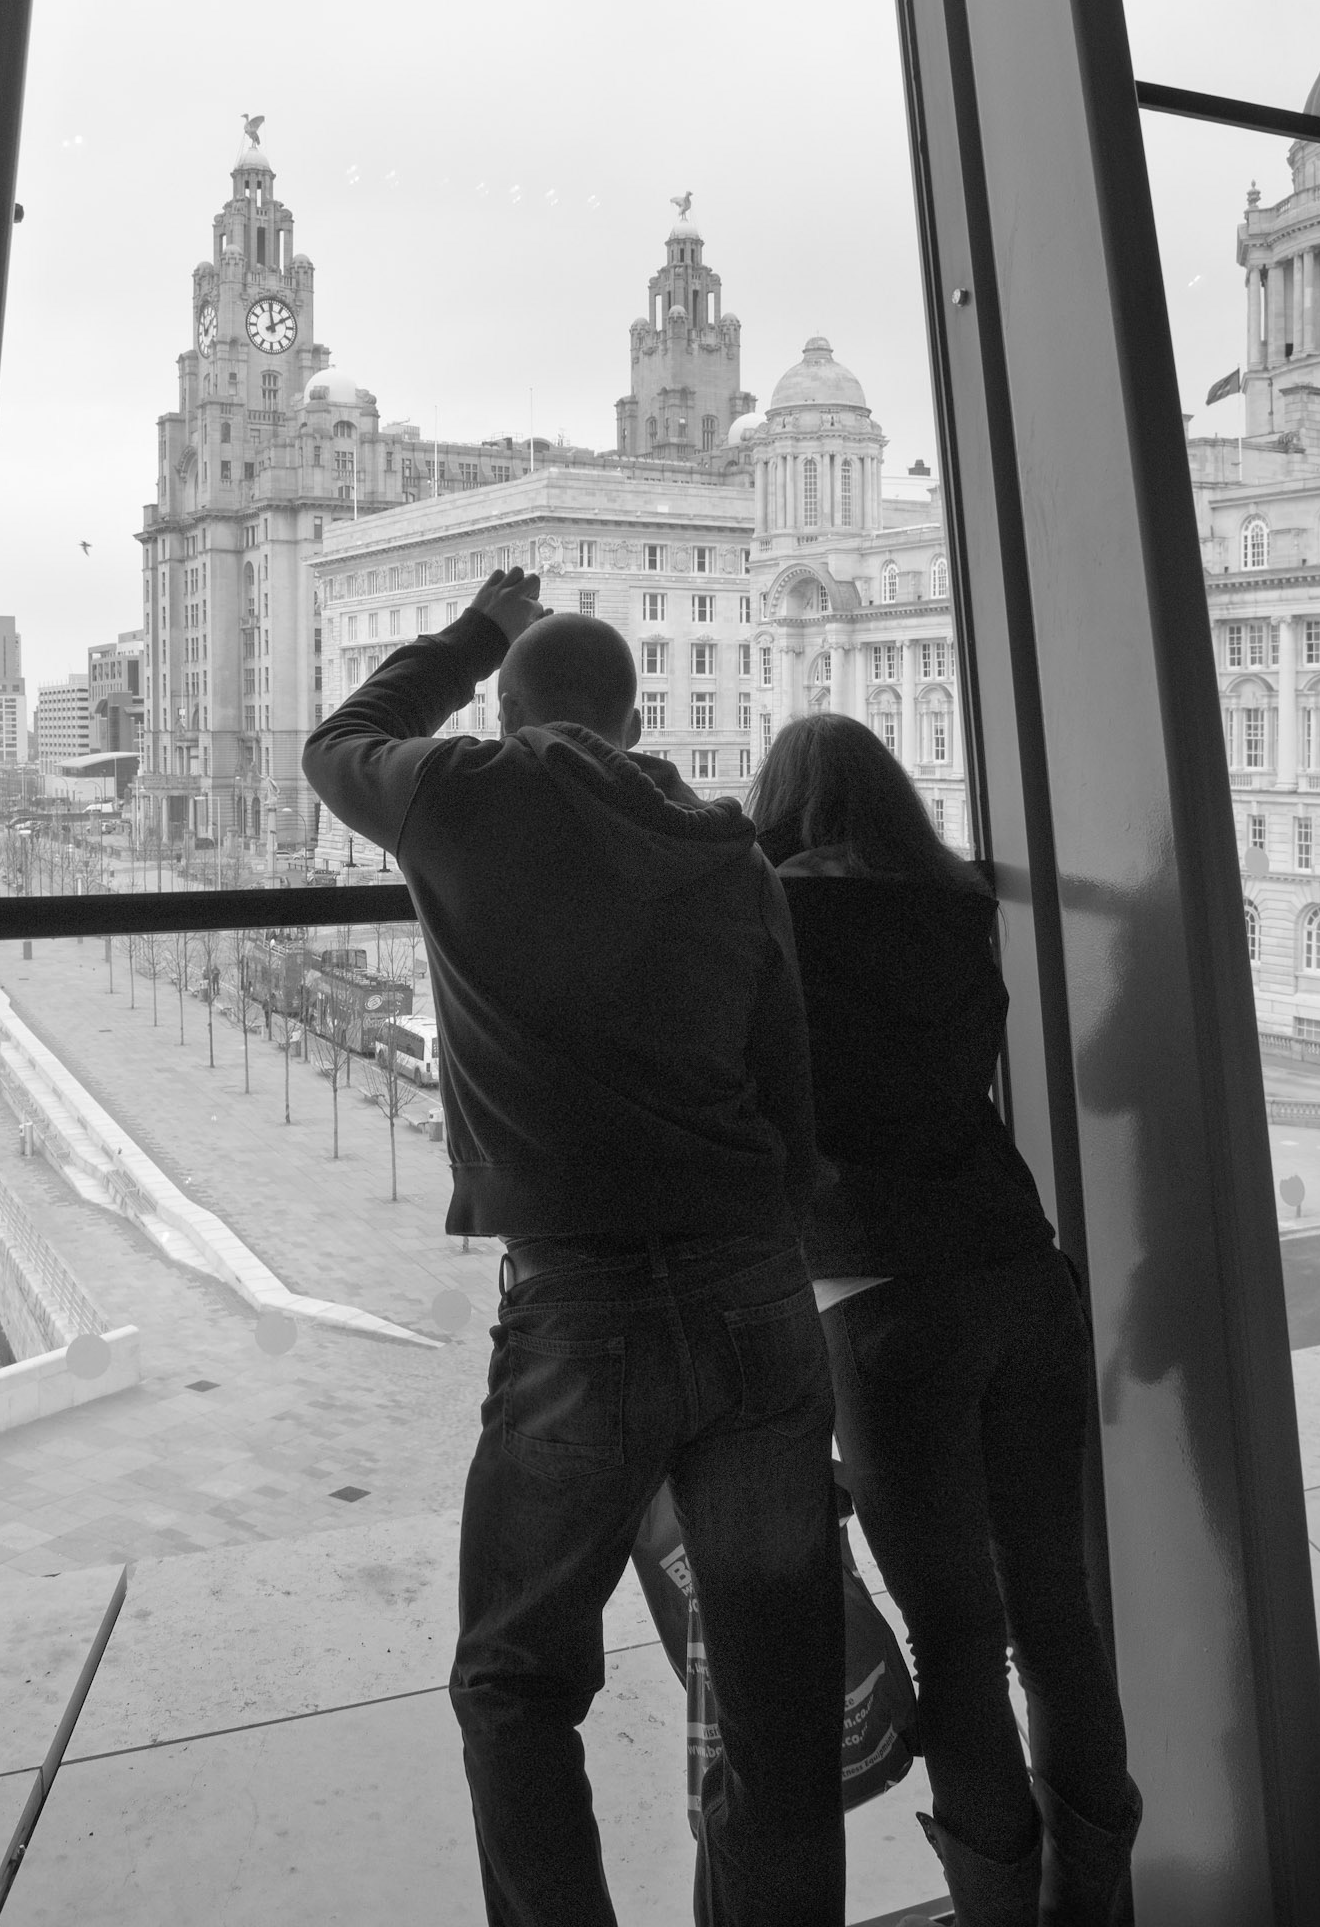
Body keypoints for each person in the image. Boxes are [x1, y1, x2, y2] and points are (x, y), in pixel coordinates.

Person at [302, 570, 846, 1927]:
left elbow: (338, 742)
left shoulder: (468, 797)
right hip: (755, 1293)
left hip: (582, 1306)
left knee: (519, 1681)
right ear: (632, 711)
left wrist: (478, 631)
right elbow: (792, 1104)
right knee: (779, 1697)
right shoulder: (726, 847)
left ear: (510, 706)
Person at [748, 713, 1140, 1927]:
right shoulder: (955, 908)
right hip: (1020, 1271)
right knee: (1055, 1617)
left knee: (954, 1638)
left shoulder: (764, 921)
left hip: (878, 1295)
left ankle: (996, 1911)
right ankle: (1095, 1909)